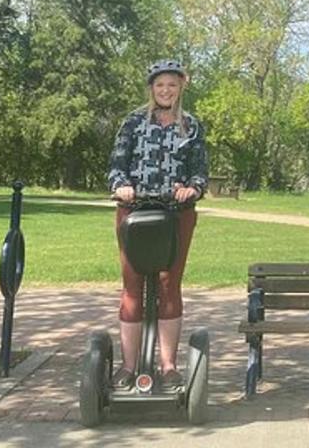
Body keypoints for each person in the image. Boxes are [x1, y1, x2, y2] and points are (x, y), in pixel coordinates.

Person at [107, 58, 209, 389]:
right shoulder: (133, 122)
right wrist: (121, 185)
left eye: (173, 85)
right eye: (160, 85)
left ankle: (168, 366)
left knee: (169, 284)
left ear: (182, 88)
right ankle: (128, 366)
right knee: (132, 286)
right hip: (134, 210)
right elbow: (116, 166)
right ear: (152, 87)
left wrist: (191, 188)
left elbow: (199, 171)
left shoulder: (191, 125)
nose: (166, 90)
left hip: (176, 213)